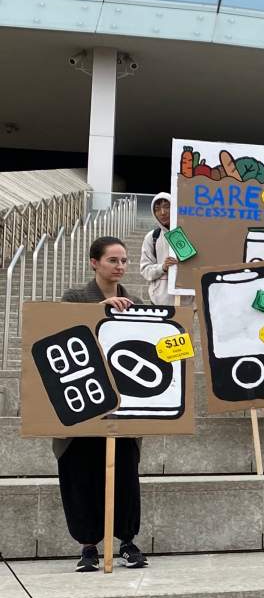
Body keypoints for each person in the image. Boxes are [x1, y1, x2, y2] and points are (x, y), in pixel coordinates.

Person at [57, 236, 148, 572]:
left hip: (124, 407)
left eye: (124, 260)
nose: (120, 267)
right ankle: (88, 546)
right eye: (113, 260)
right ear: (94, 262)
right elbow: (57, 328)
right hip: (81, 405)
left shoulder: (135, 300)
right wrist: (99, 311)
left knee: (125, 475)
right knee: (81, 476)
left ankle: (126, 541)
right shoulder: (75, 298)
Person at [138, 193, 193, 307]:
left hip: (185, 303)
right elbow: (145, 270)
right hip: (159, 302)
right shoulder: (152, 237)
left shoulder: (189, 233)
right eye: (157, 209)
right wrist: (162, 267)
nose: (162, 212)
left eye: (167, 206)